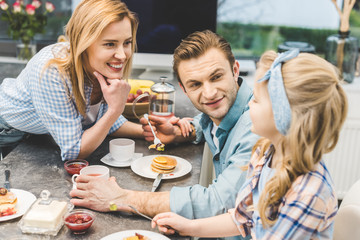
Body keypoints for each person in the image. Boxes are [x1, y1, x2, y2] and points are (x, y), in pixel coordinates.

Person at [70, 29, 259, 237]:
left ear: (235, 70)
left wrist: (121, 199)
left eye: (216, 77)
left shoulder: (257, 127)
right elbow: (206, 119)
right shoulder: (223, 108)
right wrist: (180, 132)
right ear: (184, 90)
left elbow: (217, 202)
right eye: (195, 84)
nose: (209, 92)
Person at [151, 49, 348, 239]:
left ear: (284, 117)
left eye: (258, 99)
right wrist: (189, 227)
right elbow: (244, 217)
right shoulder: (265, 153)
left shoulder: (307, 194)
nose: (249, 102)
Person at [0, 0, 143, 160]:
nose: (122, 55)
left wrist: (148, 132)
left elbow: (103, 122)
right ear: (84, 43)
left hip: (44, 132)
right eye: (110, 44)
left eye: (127, 43)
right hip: (10, 130)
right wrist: (114, 110)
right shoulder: (51, 70)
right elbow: (74, 152)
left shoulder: (100, 65)